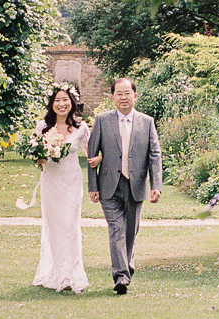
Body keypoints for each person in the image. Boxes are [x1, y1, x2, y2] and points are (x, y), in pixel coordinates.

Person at [87, 77, 162, 294]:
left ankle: (127, 267)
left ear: (135, 96)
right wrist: (93, 186)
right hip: (109, 184)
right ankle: (121, 275)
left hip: (136, 184)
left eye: (127, 93)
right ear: (112, 98)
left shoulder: (147, 122)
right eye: (119, 93)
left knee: (131, 231)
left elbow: (155, 154)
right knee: (116, 230)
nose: (123, 97)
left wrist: (156, 184)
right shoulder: (102, 120)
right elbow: (92, 154)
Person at [32, 84, 90, 293]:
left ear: (72, 102)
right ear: (51, 103)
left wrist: (99, 158)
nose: (61, 104)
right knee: (54, 226)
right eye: (57, 100)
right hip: (51, 182)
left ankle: (69, 275)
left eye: (65, 99)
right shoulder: (42, 126)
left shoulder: (81, 128)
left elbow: (91, 153)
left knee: (70, 226)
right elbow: (37, 155)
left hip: (72, 183)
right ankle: (55, 272)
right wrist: (39, 157)